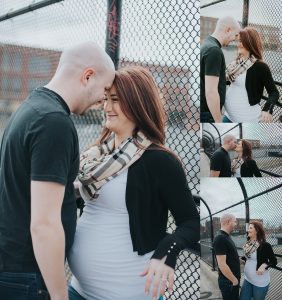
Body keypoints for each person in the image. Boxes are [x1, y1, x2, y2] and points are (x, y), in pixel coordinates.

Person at [67, 66, 200, 300]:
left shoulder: (160, 160)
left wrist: (167, 252)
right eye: (106, 99)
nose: (106, 107)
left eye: (115, 100)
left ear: (137, 103)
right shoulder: (98, 155)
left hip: (127, 293)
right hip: (78, 290)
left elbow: (190, 222)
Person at [0, 42, 115, 300]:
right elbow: (44, 225)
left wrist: (72, 189)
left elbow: (26, 185)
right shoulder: (55, 124)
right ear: (88, 76)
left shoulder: (32, 108)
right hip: (28, 274)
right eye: (105, 89)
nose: (103, 99)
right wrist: (60, 295)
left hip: (13, 268)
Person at [223, 27, 279, 123]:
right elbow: (227, 81)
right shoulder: (236, 63)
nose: (238, 44)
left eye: (241, 41)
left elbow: (274, 92)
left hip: (247, 120)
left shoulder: (261, 67)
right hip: (228, 116)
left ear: (250, 43)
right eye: (238, 41)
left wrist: (267, 109)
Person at [200, 16, 241, 123]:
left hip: (206, 112)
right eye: (235, 35)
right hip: (208, 114)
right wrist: (218, 121)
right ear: (228, 30)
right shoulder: (214, 51)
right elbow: (211, 92)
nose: (235, 39)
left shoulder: (207, 44)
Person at [240, 221, 277, 300]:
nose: (248, 230)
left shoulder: (265, 245)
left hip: (260, 282)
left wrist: (264, 265)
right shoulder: (248, 244)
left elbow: (274, 261)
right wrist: (243, 259)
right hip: (247, 279)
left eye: (250, 228)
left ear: (256, 231)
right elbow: (250, 258)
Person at [213, 213, 240, 300]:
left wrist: (239, 260)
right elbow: (222, 265)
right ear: (228, 222)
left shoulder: (226, 236)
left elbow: (228, 257)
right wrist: (234, 280)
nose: (236, 224)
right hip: (229, 282)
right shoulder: (220, 238)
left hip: (231, 281)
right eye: (235, 222)